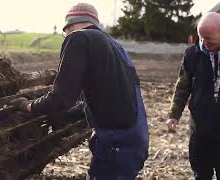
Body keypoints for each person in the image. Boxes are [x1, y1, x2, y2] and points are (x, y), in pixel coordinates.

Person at [14, 3, 149, 179]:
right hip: (134, 140)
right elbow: (108, 96)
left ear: (69, 25)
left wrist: (28, 106)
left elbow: (62, 97)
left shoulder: (78, 38)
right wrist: (66, 116)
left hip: (116, 142)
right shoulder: (114, 45)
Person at [166, 12, 220, 180]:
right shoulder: (192, 55)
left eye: (209, 38)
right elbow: (183, 87)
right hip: (200, 126)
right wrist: (174, 115)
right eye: (201, 37)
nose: (204, 42)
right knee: (200, 172)